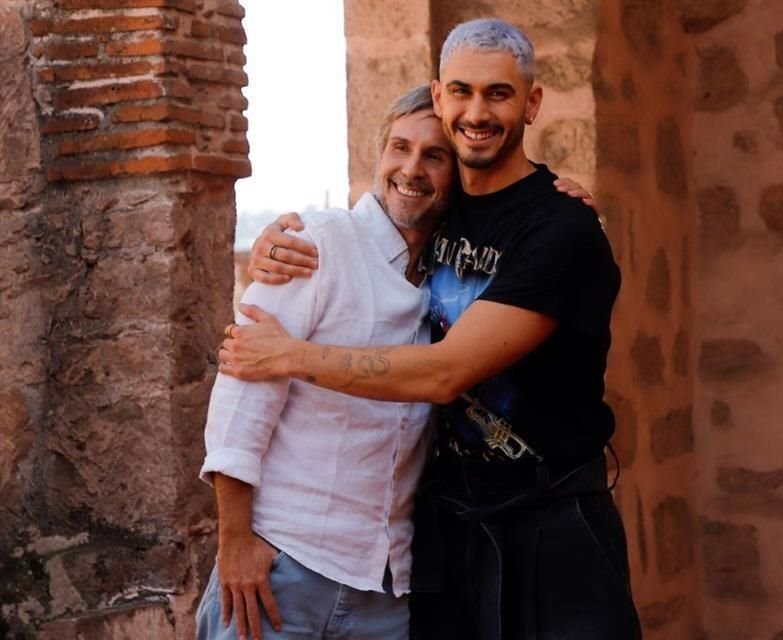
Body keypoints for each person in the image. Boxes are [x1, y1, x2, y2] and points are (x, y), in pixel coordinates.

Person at [222, 18, 641, 640]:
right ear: (440, 97)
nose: (478, 111)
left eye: (499, 93)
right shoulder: (439, 210)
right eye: (462, 91)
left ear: (531, 103)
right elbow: (373, 235)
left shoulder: (561, 229)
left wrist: (290, 355)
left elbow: (447, 372)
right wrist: (277, 243)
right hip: (446, 534)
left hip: (553, 532)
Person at [196, 85, 451, 640]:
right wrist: (234, 544)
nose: (411, 169)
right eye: (399, 148)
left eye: (435, 155)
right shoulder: (319, 243)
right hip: (280, 572)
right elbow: (243, 391)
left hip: (384, 591)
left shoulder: (451, 281)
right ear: (379, 154)